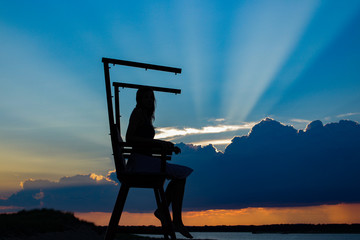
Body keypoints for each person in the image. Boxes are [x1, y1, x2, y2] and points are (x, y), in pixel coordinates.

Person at [126, 87, 193, 239]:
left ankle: (165, 212)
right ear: (139, 100)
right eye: (146, 97)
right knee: (182, 173)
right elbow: (129, 138)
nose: (149, 100)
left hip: (146, 160)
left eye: (151, 97)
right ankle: (174, 219)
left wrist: (167, 145)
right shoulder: (137, 113)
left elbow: (148, 142)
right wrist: (158, 143)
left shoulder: (146, 116)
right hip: (139, 162)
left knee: (180, 176)